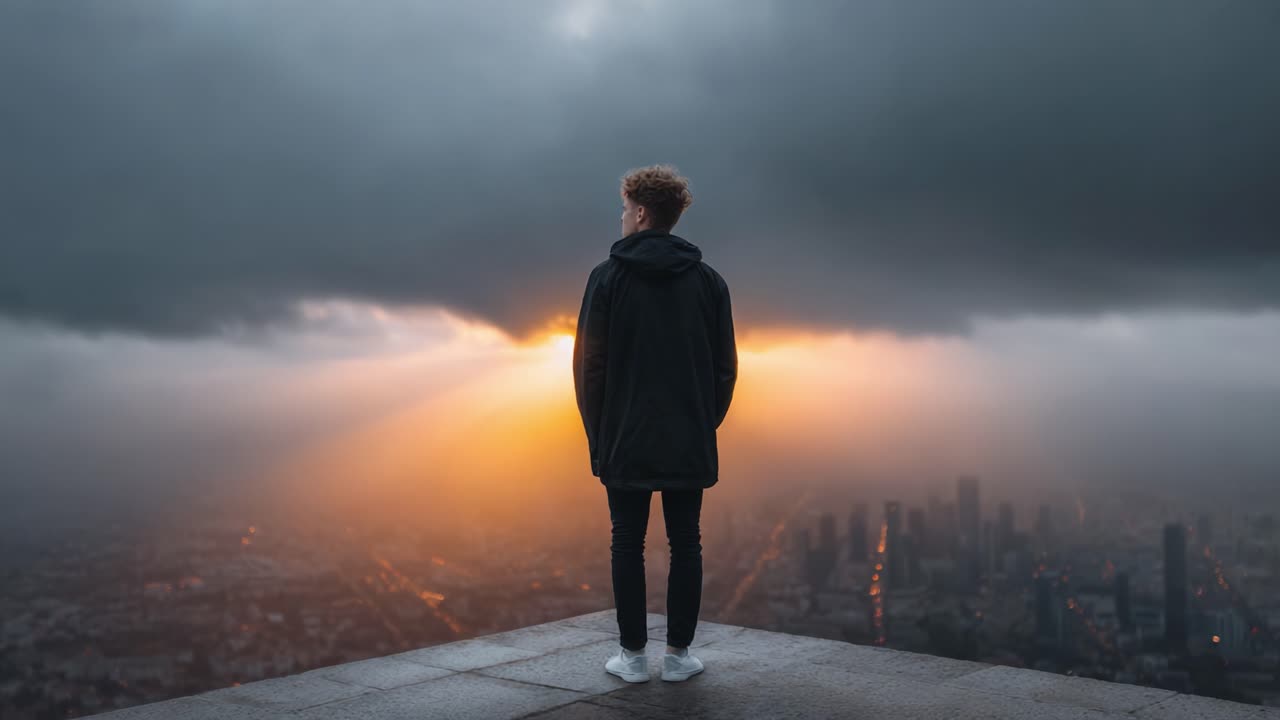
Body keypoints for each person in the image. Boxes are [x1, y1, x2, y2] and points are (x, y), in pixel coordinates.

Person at [573, 164, 738, 682]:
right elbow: (725, 368)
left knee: (627, 541)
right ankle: (679, 657)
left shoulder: (606, 279)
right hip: (688, 435)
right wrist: (702, 421)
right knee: (686, 542)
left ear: (641, 212)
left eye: (625, 209)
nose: (622, 218)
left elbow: (588, 369)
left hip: (623, 437)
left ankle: (633, 657)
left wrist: (600, 436)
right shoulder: (709, 282)